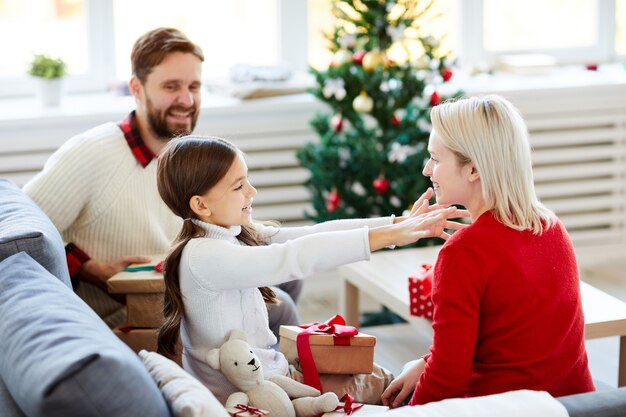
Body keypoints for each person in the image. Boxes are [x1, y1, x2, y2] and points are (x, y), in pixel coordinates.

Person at [23, 27, 301, 332]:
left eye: (194, 87)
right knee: (281, 308)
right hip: (133, 312)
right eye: (171, 87)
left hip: (183, 287)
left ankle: (252, 365)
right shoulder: (91, 152)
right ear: (137, 88)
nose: (187, 99)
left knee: (290, 276)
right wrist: (89, 269)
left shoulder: (187, 157)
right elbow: (21, 235)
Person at [154, 135, 464, 403]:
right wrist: (389, 236)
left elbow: (313, 233)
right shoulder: (204, 255)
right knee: (387, 385)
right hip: (256, 394)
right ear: (201, 206)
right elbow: (293, 256)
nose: (252, 191)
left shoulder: (227, 235)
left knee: (378, 374)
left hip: (271, 374)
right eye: (238, 186)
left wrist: (397, 224)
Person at [381, 95, 595, 408]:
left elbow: (446, 380)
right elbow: (511, 334)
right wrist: (426, 361)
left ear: (474, 169)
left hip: (507, 408)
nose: (427, 170)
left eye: (436, 159)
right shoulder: (551, 226)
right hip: (575, 407)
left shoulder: (463, 253)